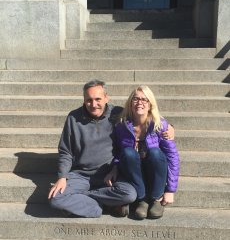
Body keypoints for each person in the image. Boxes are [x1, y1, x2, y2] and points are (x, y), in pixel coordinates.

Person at [48, 80, 174, 218]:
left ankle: (84, 200)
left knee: (130, 195)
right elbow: (66, 151)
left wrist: (170, 127)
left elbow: (144, 119)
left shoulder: (118, 114)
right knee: (56, 199)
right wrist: (62, 177)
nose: (94, 104)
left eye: (98, 99)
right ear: (84, 100)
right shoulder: (73, 118)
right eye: (89, 100)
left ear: (106, 98)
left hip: (110, 175)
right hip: (80, 175)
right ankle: (104, 205)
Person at [111, 85, 180, 220]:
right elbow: (119, 152)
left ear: (150, 104)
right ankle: (142, 199)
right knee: (129, 153)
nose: (140, 102)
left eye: (144, 99)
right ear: (130, 102)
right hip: (135, 174)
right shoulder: (122, 125)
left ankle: (155, 199)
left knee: (155, 153)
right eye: (136, 99)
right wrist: (114, 167)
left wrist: (171, 190)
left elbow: (173, 156)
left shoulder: (160, 125)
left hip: (154, 172)